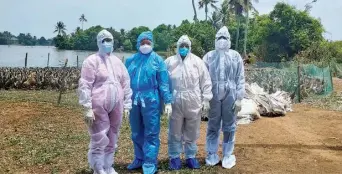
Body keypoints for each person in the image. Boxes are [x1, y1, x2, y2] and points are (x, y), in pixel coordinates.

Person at [78, 29, 132, 174]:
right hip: (98, 105)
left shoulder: (117, 62)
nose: (107, 43)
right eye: (104, 40)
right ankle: (98, 167)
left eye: (109, 40)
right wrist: (87, 107)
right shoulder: (91, 61)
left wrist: (127, 104)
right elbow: (85, 84)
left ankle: (108, 165)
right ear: (99, 42)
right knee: (99, 135)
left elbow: (125, 82)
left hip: (117, 104)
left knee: (113, 133)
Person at [125, 31, 173, 174]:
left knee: (151, 132)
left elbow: (163, 83)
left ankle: (150, 162)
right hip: (134, 99)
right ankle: (139, 158)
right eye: (142, 42)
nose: (145, 45)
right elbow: (124, 82)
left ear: (152, 43)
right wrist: (125, 101)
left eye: (148, 42)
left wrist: (168, 101)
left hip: (151, 99)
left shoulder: (158, 61)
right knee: (136, 131)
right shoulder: (131, 60)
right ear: (138, 43)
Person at [164, 35, 213, 170]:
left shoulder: (197, 62)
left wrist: (206, 99)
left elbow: (206, 81)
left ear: (190, 47)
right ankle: (174, 157)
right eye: (181, 46)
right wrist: (166, 101)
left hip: (193, 101)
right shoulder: (169, 62)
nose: (184, 48)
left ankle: (190, 156)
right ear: (177, 47)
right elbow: (164, 83)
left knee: (192, 130)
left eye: (186, 46)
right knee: (174, 131)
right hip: (176, 100)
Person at [203, 26, 245, 169]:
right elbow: (203, 79)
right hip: (213, 95)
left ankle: (227, 154)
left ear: (229, 40)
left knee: (229, 126)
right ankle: (211, 153)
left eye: (225, 38)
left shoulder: (235, 56)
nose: (222, 40)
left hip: (230, 95)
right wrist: (205, 98)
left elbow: (240, 77)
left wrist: (239, 98)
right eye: (219, 38)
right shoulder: (208, 56)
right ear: (215, 40)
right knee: (213, 125)